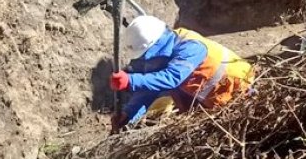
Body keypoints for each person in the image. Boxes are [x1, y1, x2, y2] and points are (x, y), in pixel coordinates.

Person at [108, 16, 255, 131]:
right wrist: (128, 113)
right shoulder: (163, 52)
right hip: (212, 99)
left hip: (238, 91)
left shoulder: (191, 46)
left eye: (145, 54)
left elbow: (172, 77)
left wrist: (131, 80)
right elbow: (150, 88)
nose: (145, 59)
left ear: (156, 43)